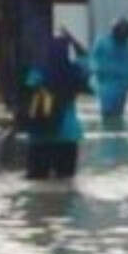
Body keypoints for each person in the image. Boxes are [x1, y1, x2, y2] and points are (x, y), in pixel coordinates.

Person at [21, 32, 88, 181]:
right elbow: (86, 59)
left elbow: (27, 91)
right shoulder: (75, 72)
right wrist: (73, 41)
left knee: (37, 182)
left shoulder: (38, 72)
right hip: (67, 135)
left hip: (40, 135)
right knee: (66, 183)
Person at [89, 18, 128, 126]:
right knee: (108, 112)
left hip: (121, 85)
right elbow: (93, 59)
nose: (124, 36)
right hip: (105, 83)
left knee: (117, 113)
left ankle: (114, 133)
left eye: (126, 34)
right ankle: (110, 133)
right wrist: (96, 71)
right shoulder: (102, 42)